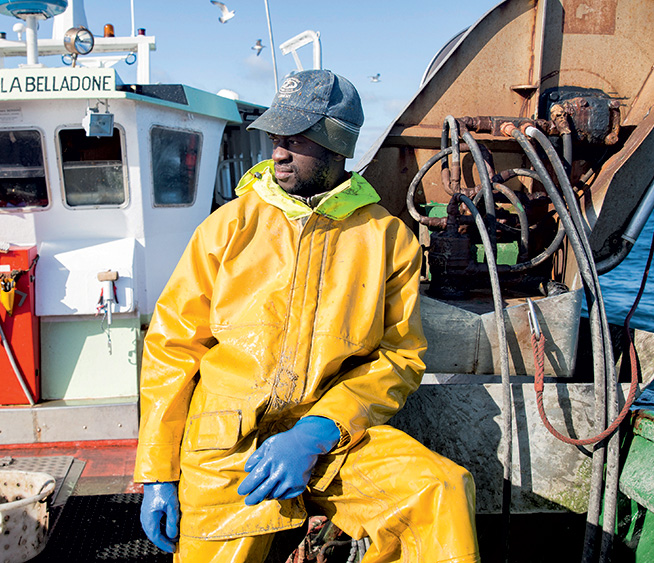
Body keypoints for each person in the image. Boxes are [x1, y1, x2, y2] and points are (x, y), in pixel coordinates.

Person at [135, 69, 479, 562]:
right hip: (228, 448)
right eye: (276, 139)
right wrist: (158, 473)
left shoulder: (388, 240)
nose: (278, 153)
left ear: (336, 145)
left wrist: (315, 433)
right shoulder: (226, 227)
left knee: (438, 490)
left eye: (295, 141)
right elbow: (171, 350)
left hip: (335, 439)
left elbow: (399, 358)